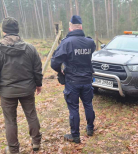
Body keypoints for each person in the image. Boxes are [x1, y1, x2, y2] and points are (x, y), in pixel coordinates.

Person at [0, 17, 43, 154]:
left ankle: (13, 149)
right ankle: (36, 142)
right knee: (31, 115)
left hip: (7, 92)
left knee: (10, 121)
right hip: (27, 89)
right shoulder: (30, 48)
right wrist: (38, 84)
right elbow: (37, 68)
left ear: (3, 31)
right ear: (17, 30)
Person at [51, 15, 96, 143]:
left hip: (72, 81)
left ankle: (75, 136)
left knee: (74, 108)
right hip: (87, 80)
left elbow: (54, 62)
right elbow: (91, 53)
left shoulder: (66, 43)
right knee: (88, 104)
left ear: (70, 27)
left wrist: (61, 71)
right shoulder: (90, 42)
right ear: (80, 27)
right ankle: (90, 128)